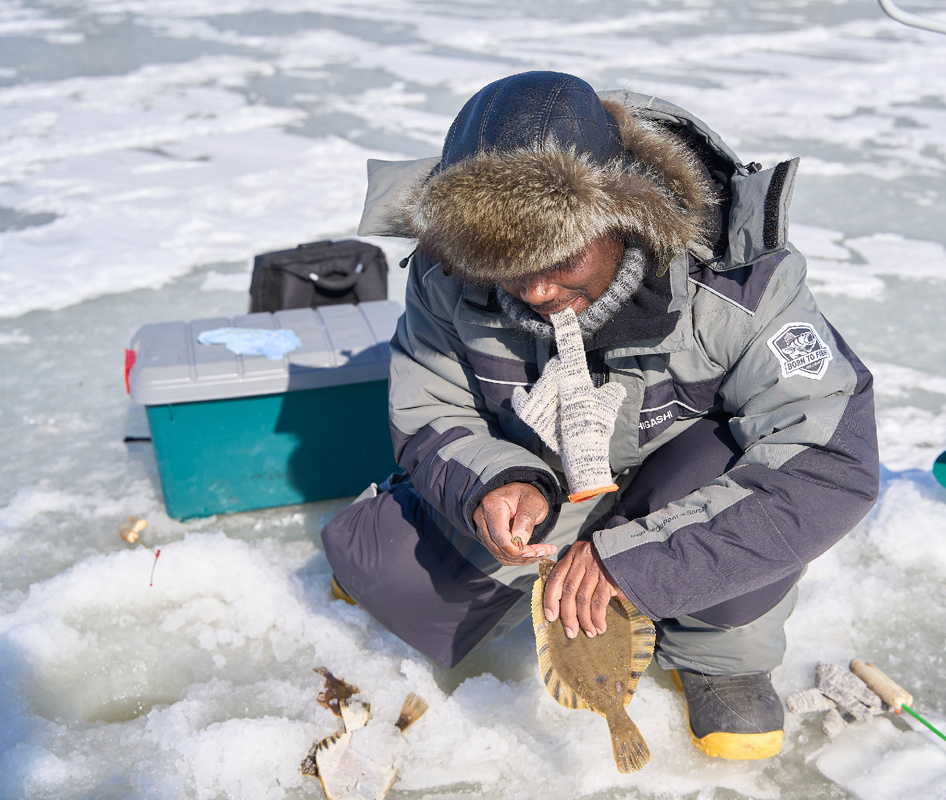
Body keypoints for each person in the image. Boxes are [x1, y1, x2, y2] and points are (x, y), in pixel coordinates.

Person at [321, 71, 879, 761]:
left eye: (560, 258)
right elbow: (430, 402)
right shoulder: (448, 270)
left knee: (744, 501)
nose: (536, 289)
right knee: (391, 582)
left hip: (678, 491)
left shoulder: (740, 277)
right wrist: (491, 487)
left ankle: (717, 654)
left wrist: (638, 563)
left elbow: (830, 461)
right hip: (547, 482)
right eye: (508, 266)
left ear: (624, 213)